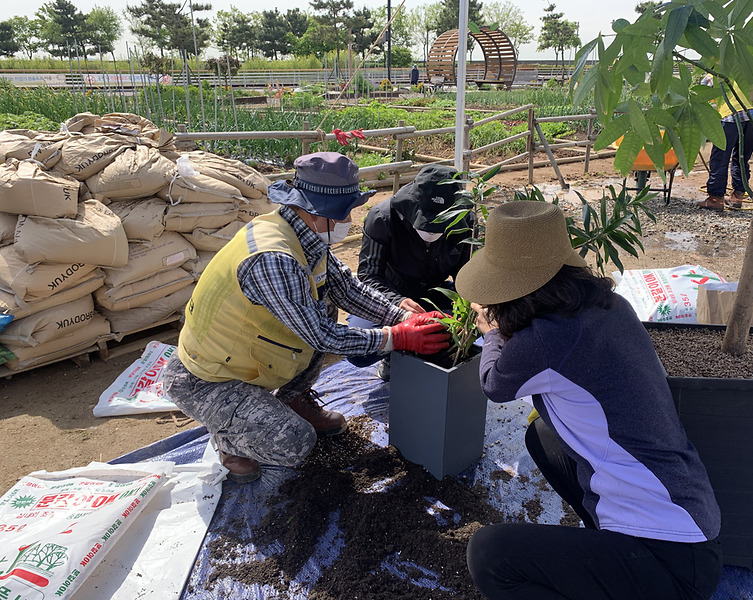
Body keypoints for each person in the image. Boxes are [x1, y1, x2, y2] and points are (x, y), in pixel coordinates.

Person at [457, 202, 722, 600]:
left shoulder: (545, 339)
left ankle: (614, 565)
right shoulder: (608, 305)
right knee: (543, 435)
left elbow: (494, 384)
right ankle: (605, 548)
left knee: (489, 555)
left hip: (669, 560)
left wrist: (492, 332)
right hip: (693, 523)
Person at [162, 152, 450, 483]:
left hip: (244, 355)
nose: (349, 222)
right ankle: (229, 440)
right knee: (296, 444)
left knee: (324, 304)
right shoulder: (274, 258)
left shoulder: (304, 234)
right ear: (320, 213)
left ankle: (293, 399)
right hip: (208, 378)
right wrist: (397, 337)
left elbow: (348, 290)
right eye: (346, 213)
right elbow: (322, 336)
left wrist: (398, 314)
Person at [348, 164, 473, 380]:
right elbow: (368, 276)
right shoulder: (382, 219)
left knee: (475, 324)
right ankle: (394, 355)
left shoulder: (466, 224)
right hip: (389, 296)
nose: (430, 232)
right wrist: (396, 301)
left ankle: (435, 358)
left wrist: (464, 314)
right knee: (358, 350)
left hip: (436, 295)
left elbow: (467, 277)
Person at [698, 74, 753, 211]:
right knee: (742, 157)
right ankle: (738, 196)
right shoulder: (749, 69)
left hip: (729, 118)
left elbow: (700, 96)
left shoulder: (714, 74)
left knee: (720, 158)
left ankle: (716, 199)